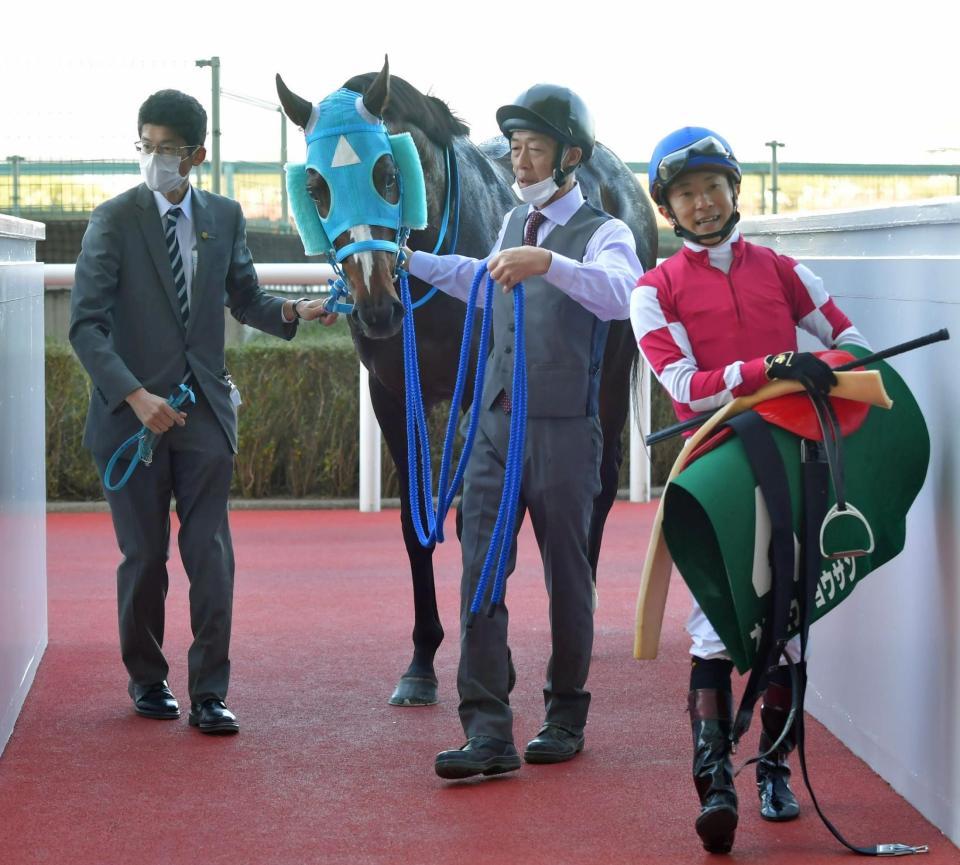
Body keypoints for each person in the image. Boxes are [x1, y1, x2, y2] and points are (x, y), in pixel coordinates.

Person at [630, 127, 869, 853]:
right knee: (716, 619)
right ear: (668, 209)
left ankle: (773, 768)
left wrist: (826, 367)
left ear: (734, 190)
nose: (703, 203)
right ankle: (715, 783)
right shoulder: (654, 290)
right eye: (686, 194)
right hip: (716, 470)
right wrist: (770, 367)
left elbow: (853, 341)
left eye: (713, 187)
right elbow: (684, 386)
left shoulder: (786, 270)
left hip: (796, 461)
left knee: (788, 619)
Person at [69, 89, 330, 735]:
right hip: (130, 419)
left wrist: (293, 310)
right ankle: (147, 678)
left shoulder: (224, 216)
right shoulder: (113, 220)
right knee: (144, 556)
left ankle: (210, 692)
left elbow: (245, 296)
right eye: (146, 145)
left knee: (211, 554)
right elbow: (86, 326)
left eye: (168, 149)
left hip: (204, 413)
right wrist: (137, 396)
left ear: (197, 155)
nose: (154, 158)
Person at [402, 84, 643, 780]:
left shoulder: (605, 232)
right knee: (479, 570)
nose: (521, 160)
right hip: (494, 427)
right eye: (515, 148)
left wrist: (549, 263)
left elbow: (623, 294)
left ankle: (565, 714)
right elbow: (478, 277)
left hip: (565, 431)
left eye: (535, 148)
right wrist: (407, 261)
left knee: (568, 577)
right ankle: (486, 730)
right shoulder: (512, 222)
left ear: (571, 156)